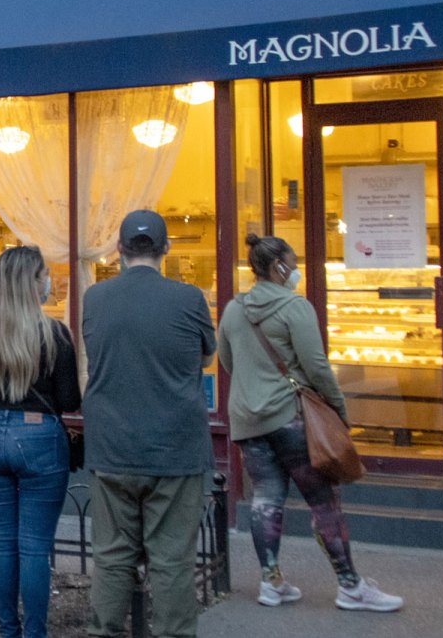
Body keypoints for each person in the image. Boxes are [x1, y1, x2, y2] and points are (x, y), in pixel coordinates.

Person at [217, 234, 402, 612]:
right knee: (323, 501)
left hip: (248, 421)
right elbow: (317, 367)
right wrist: (338, 408)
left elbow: (226, 359)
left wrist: (254, 387)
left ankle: (271, 583)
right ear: (278, 267)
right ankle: (350, 585)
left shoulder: (234, 309)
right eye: (293, 261)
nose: (297, 268)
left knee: (266, 498)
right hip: (289, 417)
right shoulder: (294, 308)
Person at [80, 210, 215, 638]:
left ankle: (105, 631)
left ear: (118, 250)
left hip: (112, 446)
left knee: (113, 557)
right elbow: (207, 357)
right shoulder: (190, 299)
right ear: (166, 250)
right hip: (175, 448)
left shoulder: (95, 299)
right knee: (172, 560)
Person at [0, 245, 80, 638]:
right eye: (44, 274)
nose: (49, 281)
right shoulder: (53, 334)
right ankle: (34, 633)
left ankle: (7, 630)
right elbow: (69, 402)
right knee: (33, 546)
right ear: (33, 283)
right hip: (40, 438)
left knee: (3, 542)